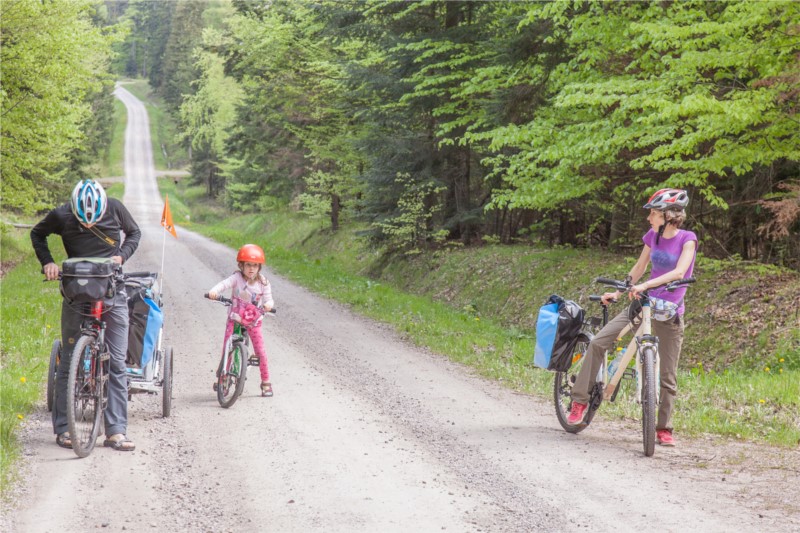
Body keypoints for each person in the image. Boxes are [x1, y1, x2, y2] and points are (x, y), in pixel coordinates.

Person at [566, 188, 697, 447]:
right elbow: (639, 268)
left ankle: (663, 428)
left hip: (669, 312)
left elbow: (680, 271)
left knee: (667, 376)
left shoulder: (687, 239)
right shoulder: (652, 236)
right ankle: (579, 401)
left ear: (668, 216)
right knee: (598, 342)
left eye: (654, 213)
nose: (649, 218)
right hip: (642, 303)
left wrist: (647, 285)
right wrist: (619, 291)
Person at [31, 179, 141, 451]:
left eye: (94, 220)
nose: (89, 225)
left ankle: (116, 431)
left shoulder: (115, 208)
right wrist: (48, 262)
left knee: (116, 361)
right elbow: (37, 234)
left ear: (103, 207)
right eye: (83, 221)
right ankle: (64, 430)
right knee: (68, 361)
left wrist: (121, 257)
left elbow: (134, 233)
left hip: (112, 289)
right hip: (75, 291)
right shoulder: (62, 214)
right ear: (74, 211)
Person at [207, 244, 275, 397]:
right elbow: (224, 284)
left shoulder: (263, 283)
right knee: (227, 348)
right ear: (241, 265)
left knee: (261, 352)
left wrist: (268, 305)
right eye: (248, 265)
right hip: (235, 317)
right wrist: (214, 291)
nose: (251, 269)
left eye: (255, 266)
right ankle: (223, 378)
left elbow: (269, 299)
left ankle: (265, 382)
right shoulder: (236, 278)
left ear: (259, 267)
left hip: (253, 321)